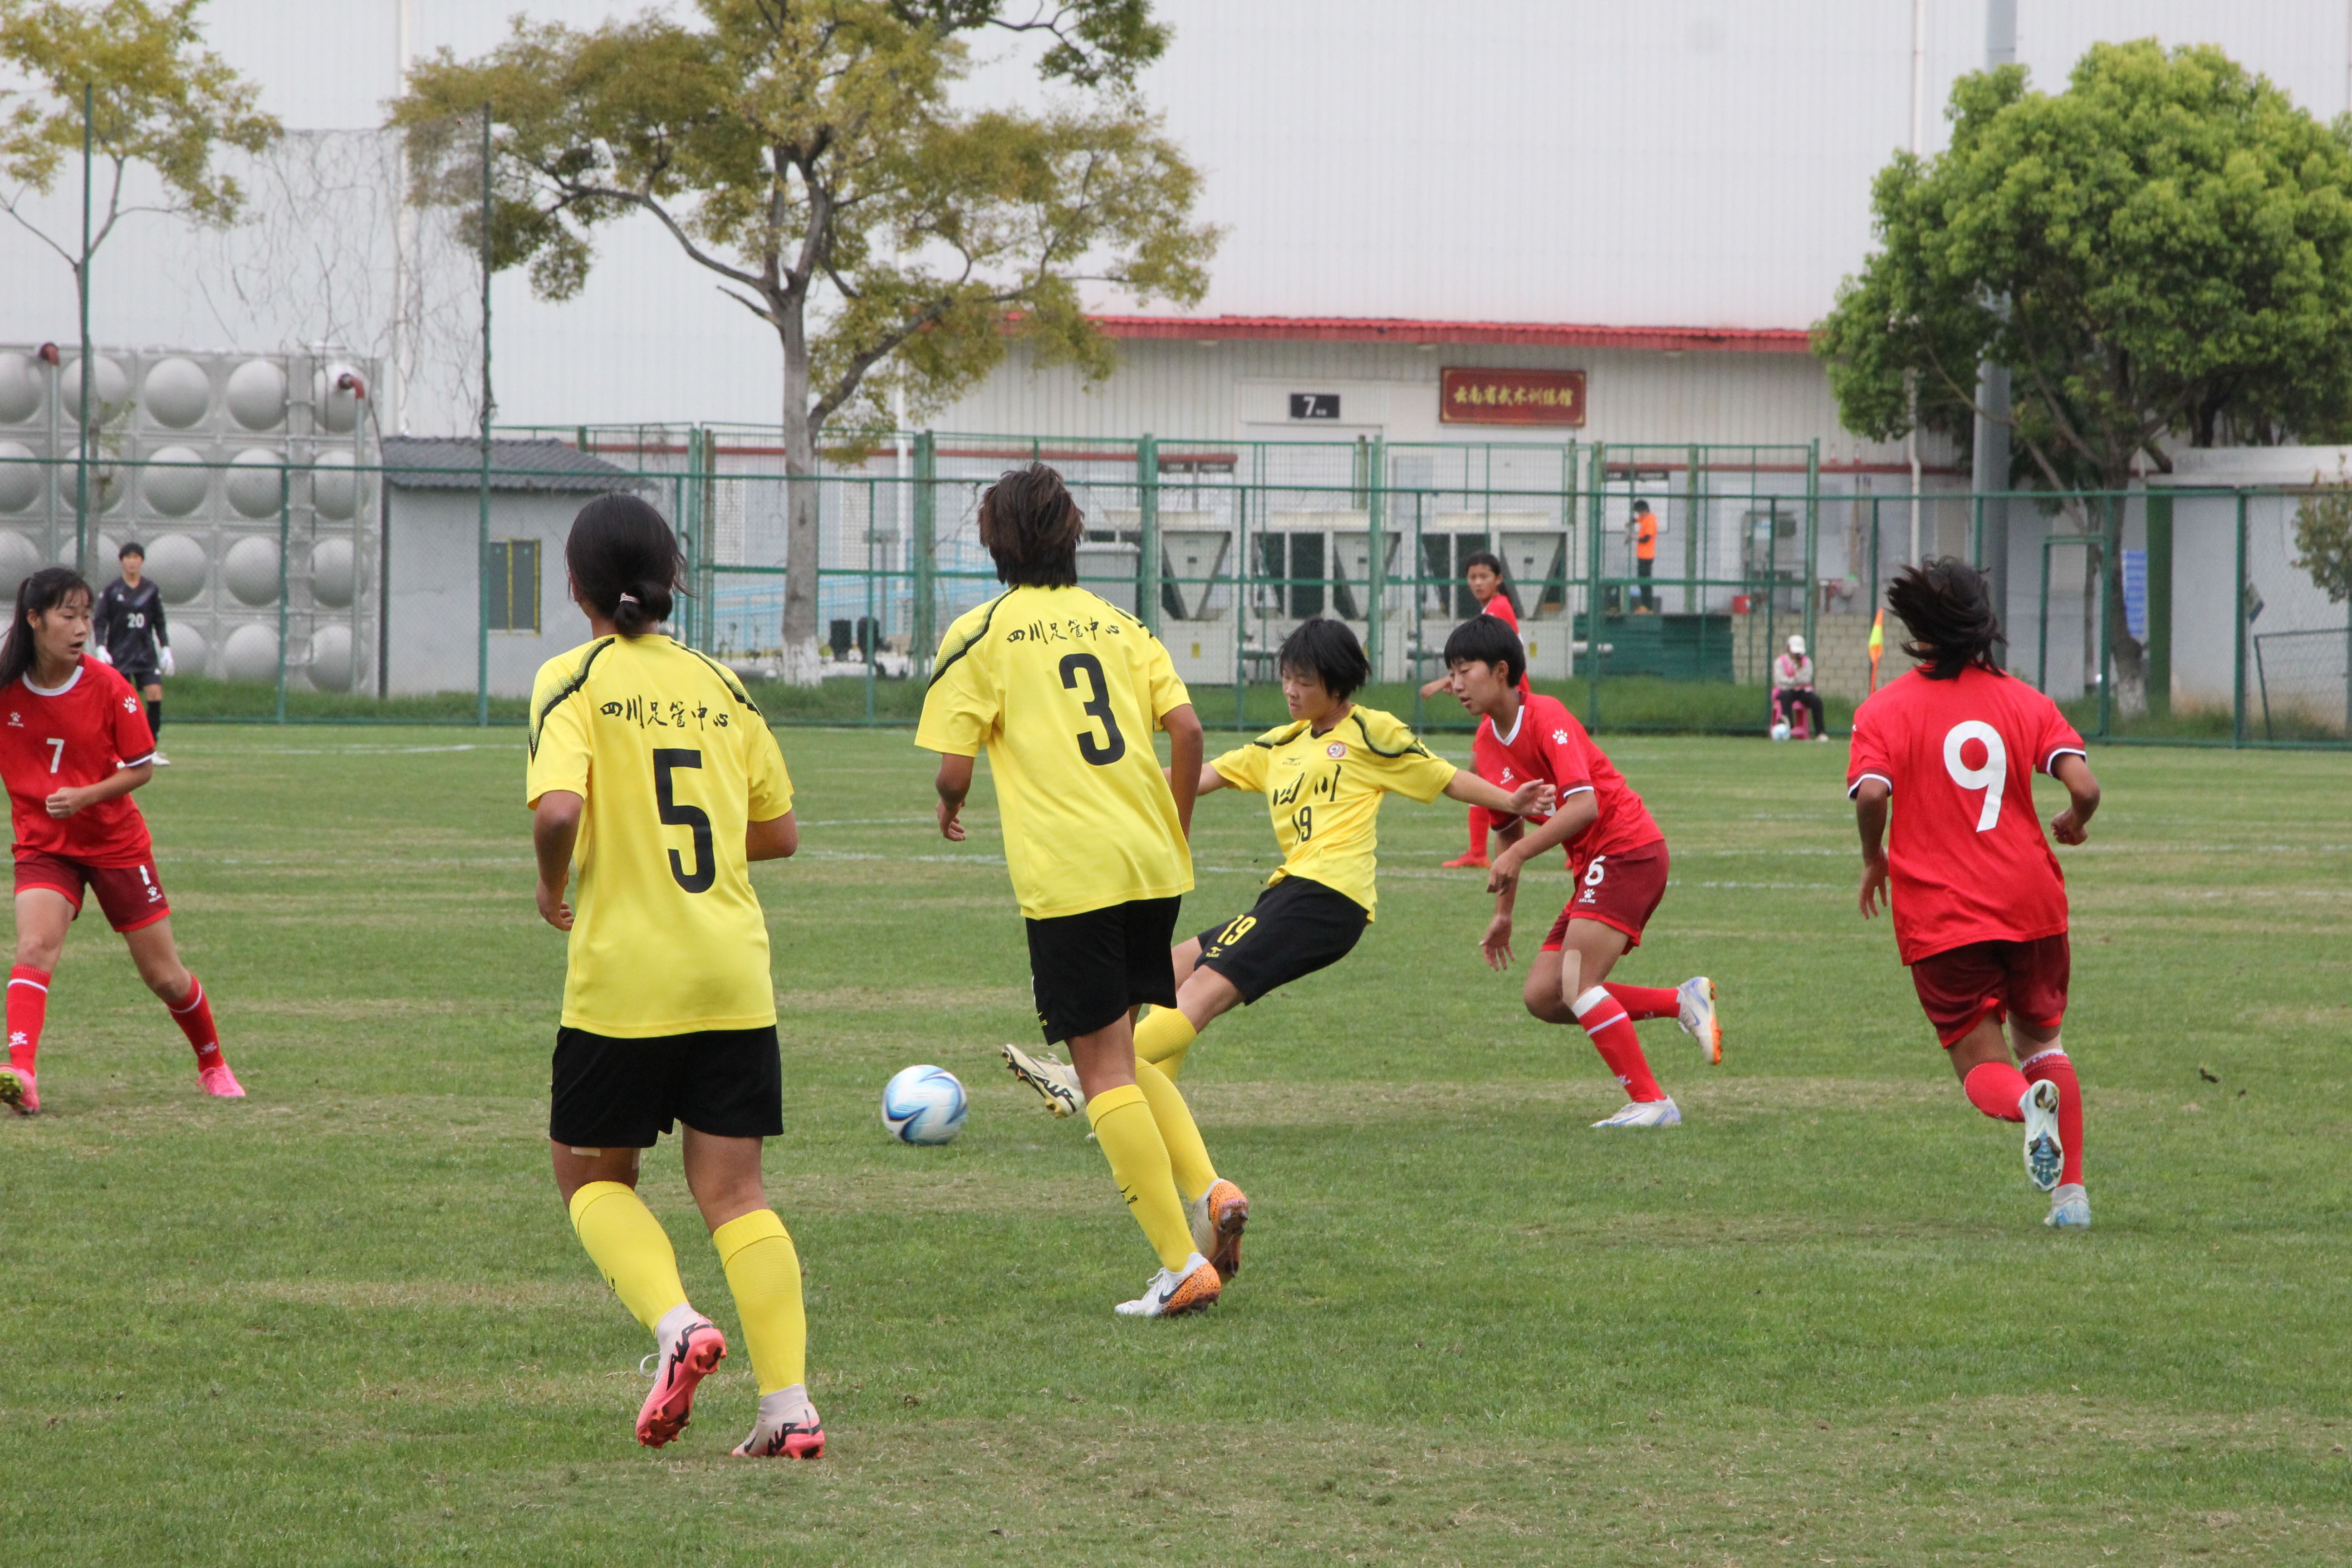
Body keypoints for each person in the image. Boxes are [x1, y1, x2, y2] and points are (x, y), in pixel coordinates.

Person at [1001, 618, 1553, 1275]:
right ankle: (1137, 1104)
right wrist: (1120, 781)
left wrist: (1508, 797)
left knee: (1198, 993)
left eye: (1306, 681)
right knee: (1163, 968)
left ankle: (1081, 1083)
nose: (1291, 690)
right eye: (1286, 677)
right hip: (1288, 896)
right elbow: (1200, 774)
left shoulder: (1371, 734)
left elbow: (1442, 777)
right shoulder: (1281, 744)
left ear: (1339, 686)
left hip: (1328, 900)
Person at [526, 493, 823, 1458]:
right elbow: (777, 831)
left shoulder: (573, 680)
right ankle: (790, 1409)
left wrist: (550, 881)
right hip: (732, 972)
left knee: (590, 1176)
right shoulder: (720, 686)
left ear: (577, 589)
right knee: (737, 1194)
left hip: (628, 979)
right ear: (672, 582)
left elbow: (559, 811)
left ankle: (676, 1326)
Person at [917, 462, 1223, 1319]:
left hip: (1073, 872)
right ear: (1071, 534)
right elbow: (1189, 731)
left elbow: (952, 766)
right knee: (1119, 1052)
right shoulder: (1120, 623)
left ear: (993, 541)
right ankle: (1207, 1193)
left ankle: (1177, 1263)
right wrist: (1176, 829)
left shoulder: (980, 631)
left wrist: (950, 802)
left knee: (1100, 1074)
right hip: (1147, 860)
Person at [1847, 558, 2100, 1230]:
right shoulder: (2025, 700)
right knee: (2044, 1044)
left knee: (1979, 1058)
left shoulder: (1884, 709)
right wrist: (2076, 822)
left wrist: (1875, 856)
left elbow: (1872, 792)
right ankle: (2071, 1197)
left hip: (1944, 911)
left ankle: (2025, 1108)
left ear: (1920, 629)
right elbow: (2085, 787)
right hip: (2031, 900)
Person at [1443, 614, 1720, 1127]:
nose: (1455, 684)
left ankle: (1652, 1103)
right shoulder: (1485, 743)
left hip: (1627, 849)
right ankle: (1681, 1002)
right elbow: (1508, 828)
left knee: (1577, 982)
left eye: (1466, 670)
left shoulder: (1547, 716)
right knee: (1545, 996)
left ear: (1502, 671)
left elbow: (1586, 806)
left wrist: (1520, 856)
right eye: (1450, 672)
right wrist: (1504, 914)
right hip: (1596, 863)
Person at [0, 567, 239, 1116]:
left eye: (87, 616)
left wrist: (85, 796)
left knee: (165, 976)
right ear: (34, 620)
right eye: (69, 615)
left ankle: (212, 1063)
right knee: (34, 947)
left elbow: (141, 769)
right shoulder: (7, 689)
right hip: (45, 846)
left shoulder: (110, 688)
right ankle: (23, 1075)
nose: (82, 627)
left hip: (115, 845)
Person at [1419, 550, 1526, 869]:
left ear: (1499, 579)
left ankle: (1479, 851)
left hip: (1509, 705)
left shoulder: (1498, 609)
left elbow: (1483, 659)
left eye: (1484, 577)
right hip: (1500, 706)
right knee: (1487, 773)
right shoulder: (1494, 608)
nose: (1478, 582)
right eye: (1473, 577)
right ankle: (1478, 851)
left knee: (1482, 774)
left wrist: (1443, 682)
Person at [92, 541, 173, 767]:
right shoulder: (113, 590)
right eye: (128, 557)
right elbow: (101, 621)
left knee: (155, 693)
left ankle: (151, 749)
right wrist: (101, 647)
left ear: (142, 561)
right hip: (120, 654)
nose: (132, 561)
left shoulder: (150, 590)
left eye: (136, 557)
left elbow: (159, 622)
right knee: (124, 703)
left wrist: (165, 648)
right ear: (122, 561)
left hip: (146, 654)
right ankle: (121, 753)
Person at [1774, 633, 1828, 739]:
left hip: (1802, 691)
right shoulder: (1781, 661)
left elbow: (1806, 679)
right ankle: (1787, 726)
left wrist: (1798, 669)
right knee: (1786, 697)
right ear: (1789, 648)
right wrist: (1794, 682)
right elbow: (1780, 681)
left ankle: (1821, 733)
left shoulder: (1807, 663)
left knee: (1816, 701)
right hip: (1786, 690)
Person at [1629, 500, 1659, 612]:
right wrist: (1633, 521)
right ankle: (1645, 605)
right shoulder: (1645, 519)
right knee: (1642, 581)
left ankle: (1648, 606)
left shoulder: (1651, 521)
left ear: (1645, 511)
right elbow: (1640, 520)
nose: (1639, 515)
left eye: (1639, 513)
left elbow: (1647, 538)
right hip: (1642, 556)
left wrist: (1634, 538)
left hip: (1647, 557)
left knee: (1645, 582)